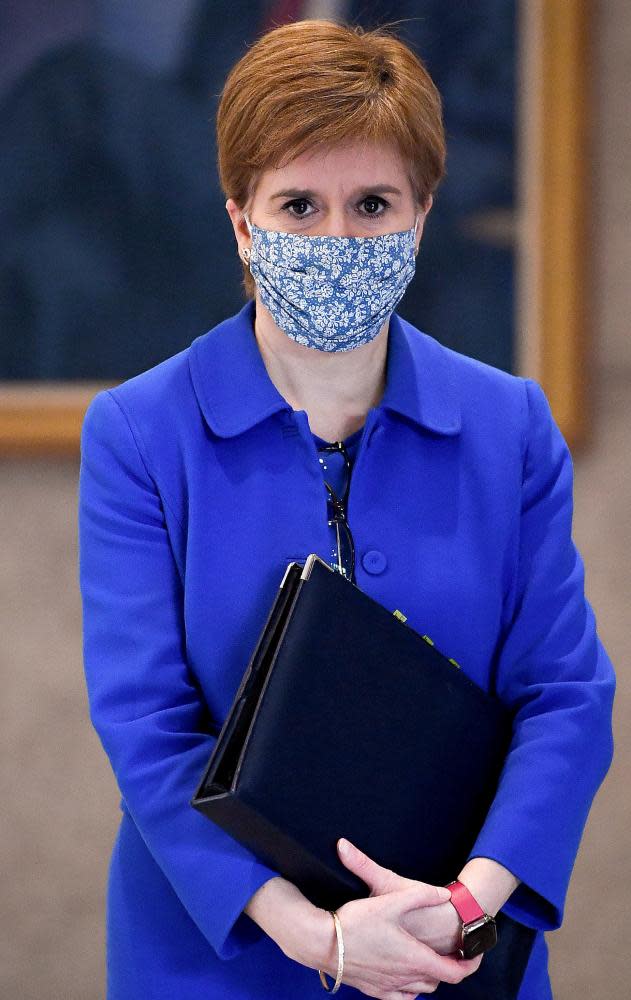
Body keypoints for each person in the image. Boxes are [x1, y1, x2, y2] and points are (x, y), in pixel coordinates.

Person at [77, 17, 616, 1000]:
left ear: (421, 213)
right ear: (241, 220)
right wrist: (316, 936)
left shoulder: (511, 426)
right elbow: (147, 724)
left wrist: (459, 909)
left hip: (452, 952)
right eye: (299, 204)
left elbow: (565, 697)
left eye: (372, 203)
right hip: (216, 960)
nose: (338, 237)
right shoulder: (139, 432)